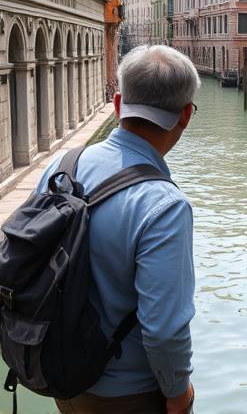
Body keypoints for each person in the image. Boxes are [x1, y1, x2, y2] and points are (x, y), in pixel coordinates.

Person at [36, 45, 201, 414]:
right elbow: (164, 330)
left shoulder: (63, 167)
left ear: (117, 104)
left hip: (62, 380)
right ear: (185, 116)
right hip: (128, 395)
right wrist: (178, 397)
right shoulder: (166, 207)